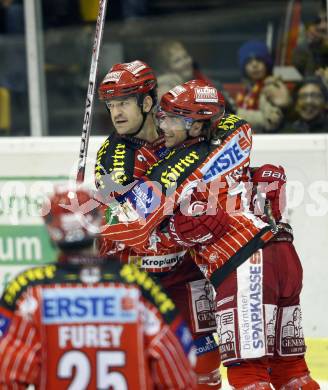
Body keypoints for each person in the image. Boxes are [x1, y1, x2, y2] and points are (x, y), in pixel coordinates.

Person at [101, 79, 319, 389]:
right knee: (291, 369)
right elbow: (261, 169)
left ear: (196, 125)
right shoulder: (237, 135)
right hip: (281, 251)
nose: (163, 125)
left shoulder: (171, 171)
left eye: (174, 118)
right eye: (163, 116)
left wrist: (93, 220)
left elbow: (131, 223)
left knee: (249, 374)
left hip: (245, 265)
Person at [95, 61, 222, 389]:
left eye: (123, 103)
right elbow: (123, 218)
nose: (116, 114)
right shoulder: (114, 156)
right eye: (111, 106)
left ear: (148, 103)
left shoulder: (179, 128)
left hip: (184, 275)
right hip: (135, 278)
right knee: (139, 370)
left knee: (205, 368)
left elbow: (230, 126)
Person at [0, 186, 197, 389]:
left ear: (51, 230)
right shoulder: (138, 286)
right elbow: (179, 371)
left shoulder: (30, 291)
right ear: (98, 221)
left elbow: (7, 376)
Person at [236, 40, 291, 133]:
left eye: (259, 60)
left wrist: (237, 116)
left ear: (267, 64)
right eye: (249, 62)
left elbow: (271, 121)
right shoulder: (248, 89)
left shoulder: (271, 87)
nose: (254, 65)